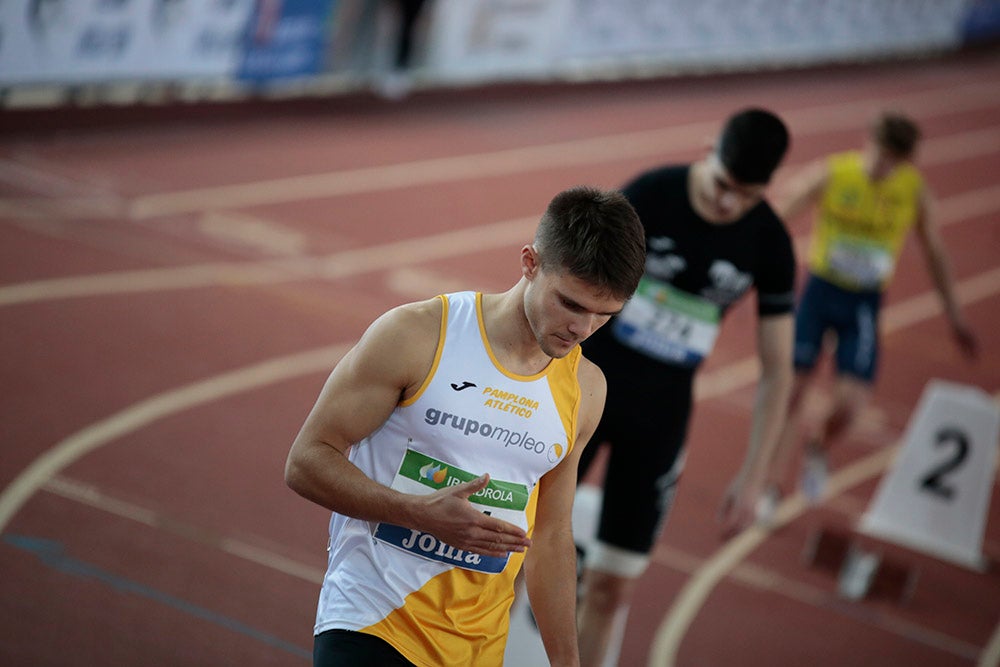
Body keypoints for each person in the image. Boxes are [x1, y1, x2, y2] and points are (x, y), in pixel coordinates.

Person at [284, 186, 646, 667]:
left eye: (605, 315)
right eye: (571, 305)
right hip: (373, 619)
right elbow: (305, 461)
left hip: (477, 649)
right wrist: (415, 512)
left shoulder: (585, 388)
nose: (584, 328)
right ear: (530, 263)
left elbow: (553, 537)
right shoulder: (417, 335)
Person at [574, 108, 796, 666]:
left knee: (611, 586)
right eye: (723, 185)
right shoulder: (650, 196)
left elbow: (777, 370)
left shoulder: (769, 243)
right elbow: (564, 283)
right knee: (500, 549)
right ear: (706, 150)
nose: (728, 204)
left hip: (659, 420)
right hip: (578, 397)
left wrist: (753, 477)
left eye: (746, 196)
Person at [761, 111, 979, 507]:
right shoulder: (833, 173)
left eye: (895, 162)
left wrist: (955, 316)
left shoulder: (914, 191)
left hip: (863, 304)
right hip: (819, 293)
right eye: (881, 156)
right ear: (869, 142)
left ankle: (818, 445)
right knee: (791, 390)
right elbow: (776, 217)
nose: (885, 168)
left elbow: (935, 254)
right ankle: (771, 485)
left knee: (850, 405)